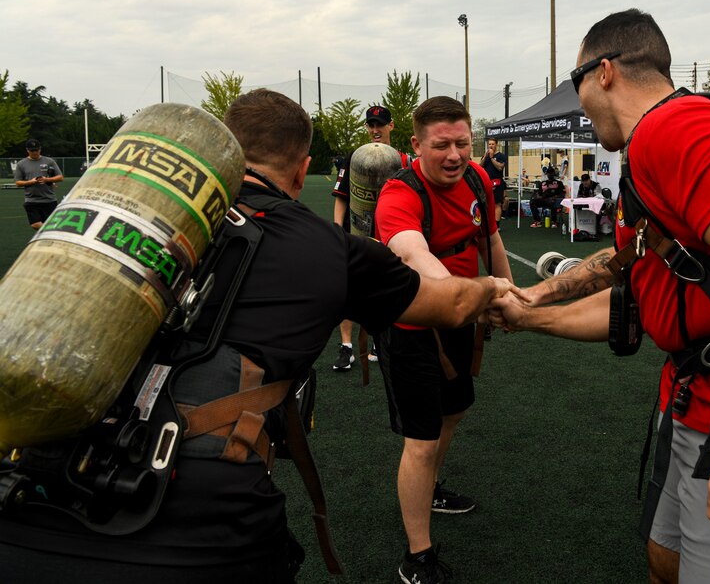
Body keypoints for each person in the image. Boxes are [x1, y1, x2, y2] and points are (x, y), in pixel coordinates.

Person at [0, 89, 520, 583]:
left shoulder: (156, 219)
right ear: (301, 172)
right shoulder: (326, 248)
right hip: (204, 514)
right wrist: (496, 292)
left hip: (34, 478)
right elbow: (446, 300)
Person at [490, 9, 710, 583]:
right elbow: (632, 276)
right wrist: (533, 305)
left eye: (575, 82)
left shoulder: (672, 126)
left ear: (603, 72)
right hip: (696, 400)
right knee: (667, 562)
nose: (576, 100)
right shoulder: (651, 142)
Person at [374, 95, 517, 584]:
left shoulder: (477, 177)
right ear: (415, 145)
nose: (455, 154)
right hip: (412, 327)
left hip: (461, 319)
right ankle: (418, 556)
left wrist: (508, 294)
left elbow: (490, 239)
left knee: (453, 411)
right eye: (442, 146)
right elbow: (415, 257)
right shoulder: (399, 194)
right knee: (421, 437)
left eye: (463, 142)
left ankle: (431, 485)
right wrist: (475, 298)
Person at [330, 104, 409, 370]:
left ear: (391, 126)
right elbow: (342, 196)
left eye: (380, 124)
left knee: (388, 288)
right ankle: (346, 347)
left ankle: (380, 338)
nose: (375, 130)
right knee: (348, 289)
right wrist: (337, 229)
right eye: (371, 125)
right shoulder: (355, 157)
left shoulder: (403, 160)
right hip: (357, 234)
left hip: (391, 237)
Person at [14, 139, 64, 230]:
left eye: (36, 150)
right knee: (35, 224)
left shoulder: (49, 161)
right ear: (27, 150)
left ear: (40, 149)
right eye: (32, 150)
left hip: (49, 200)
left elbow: (60, 177)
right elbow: (18, 182)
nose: (34, 152)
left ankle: (50, 235)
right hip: (31, 200)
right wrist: (31, 182)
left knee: (52, 225)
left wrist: (47, 180)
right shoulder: (21, 164)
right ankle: (51, 232)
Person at [480, 138, 507, 225]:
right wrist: (485, 157)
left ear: (496, 145)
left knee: (497, 204)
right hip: (487, 183)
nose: (491, 146)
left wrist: (492, 158)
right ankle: (488, 223)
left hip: (497, 183)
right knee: (486, 204)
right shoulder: (486, 156)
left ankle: (497, 224)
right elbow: (479, 167)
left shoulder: (501, 156)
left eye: (493, 144)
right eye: (489, 144)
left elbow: (500, 167)